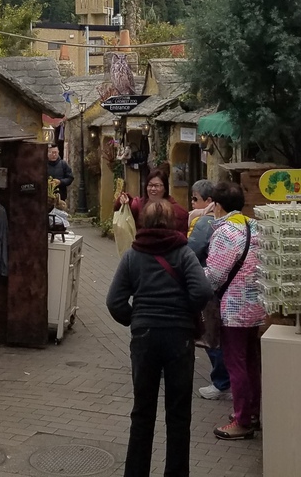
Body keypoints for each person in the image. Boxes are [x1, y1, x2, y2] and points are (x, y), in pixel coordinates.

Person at [106, 199, 213, 477]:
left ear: (144, 222)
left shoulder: (133, 255)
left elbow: (114, 301)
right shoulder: (183, 252)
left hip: (144, 337)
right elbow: (202, 291)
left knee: (142, 411)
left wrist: (135, 318)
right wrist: (185, 311)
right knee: (178, 413)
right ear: (170, 222)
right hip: (179, 337)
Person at [203, 181, 263, 440]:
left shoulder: (225, 232)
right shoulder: (255, 226)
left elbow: (214, 276)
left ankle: (242, 421)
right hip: (256, 305)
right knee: (251, 362)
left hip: (234, 309)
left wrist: (197, 278)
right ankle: (252, 413)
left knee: (235, 364)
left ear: (217, 205)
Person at [186, 179, 230, 402]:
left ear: (210, 201)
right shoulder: (236, 223)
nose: (192, 203)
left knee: (212, 333)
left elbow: (190, 251)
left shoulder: (205, 223)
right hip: (232, 288)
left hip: (210, 283)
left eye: (195, 199)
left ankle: (221, 382)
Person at [117, 165, 189, 233]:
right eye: (150, 185)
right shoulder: (139, 205)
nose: (153, 189)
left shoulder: (178, 211)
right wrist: (122, 201)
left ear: (165, 189)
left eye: (157, 186)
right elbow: (120, 210)